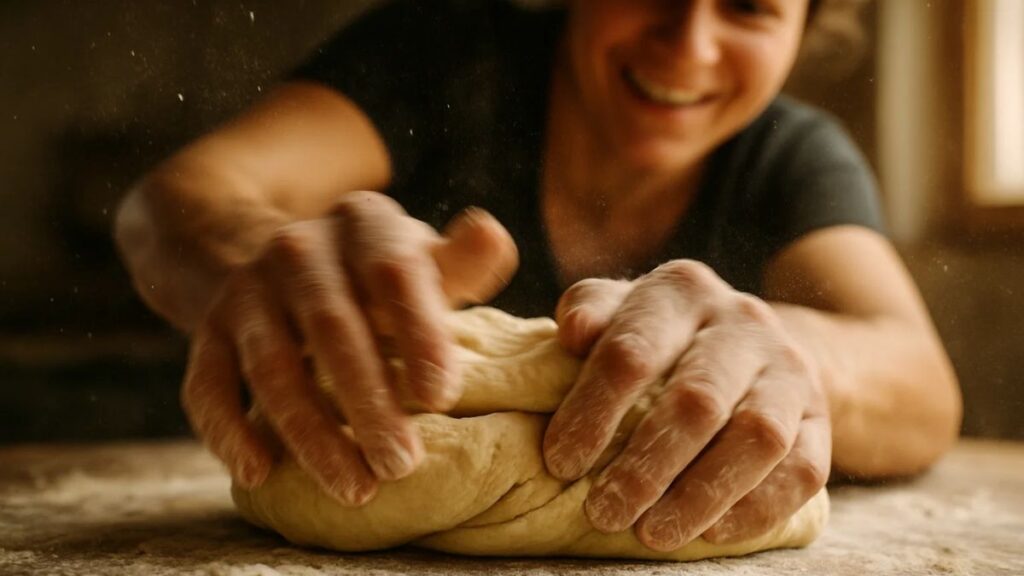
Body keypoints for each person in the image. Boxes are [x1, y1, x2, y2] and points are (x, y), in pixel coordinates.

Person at [115, 0, 961, 551]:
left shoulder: (788, 156)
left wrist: (790, 353)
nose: (688, 43)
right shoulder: (444, 57)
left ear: (802, 32)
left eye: (748, 7)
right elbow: (169, 204)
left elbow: (918, 379)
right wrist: (251, 255)